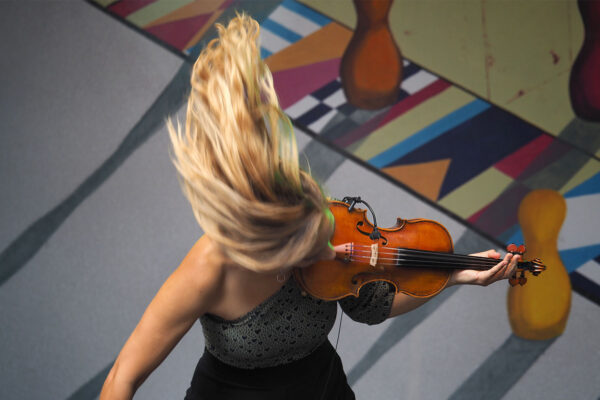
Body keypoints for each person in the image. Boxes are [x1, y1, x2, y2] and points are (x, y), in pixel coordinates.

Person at [99, 14, 520, 400]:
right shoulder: (210, 266)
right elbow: (122, 377)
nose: (335, 252)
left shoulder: (326, 219)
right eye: (313, 249)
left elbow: (374, 302)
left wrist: (454, 276)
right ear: (270, 248)